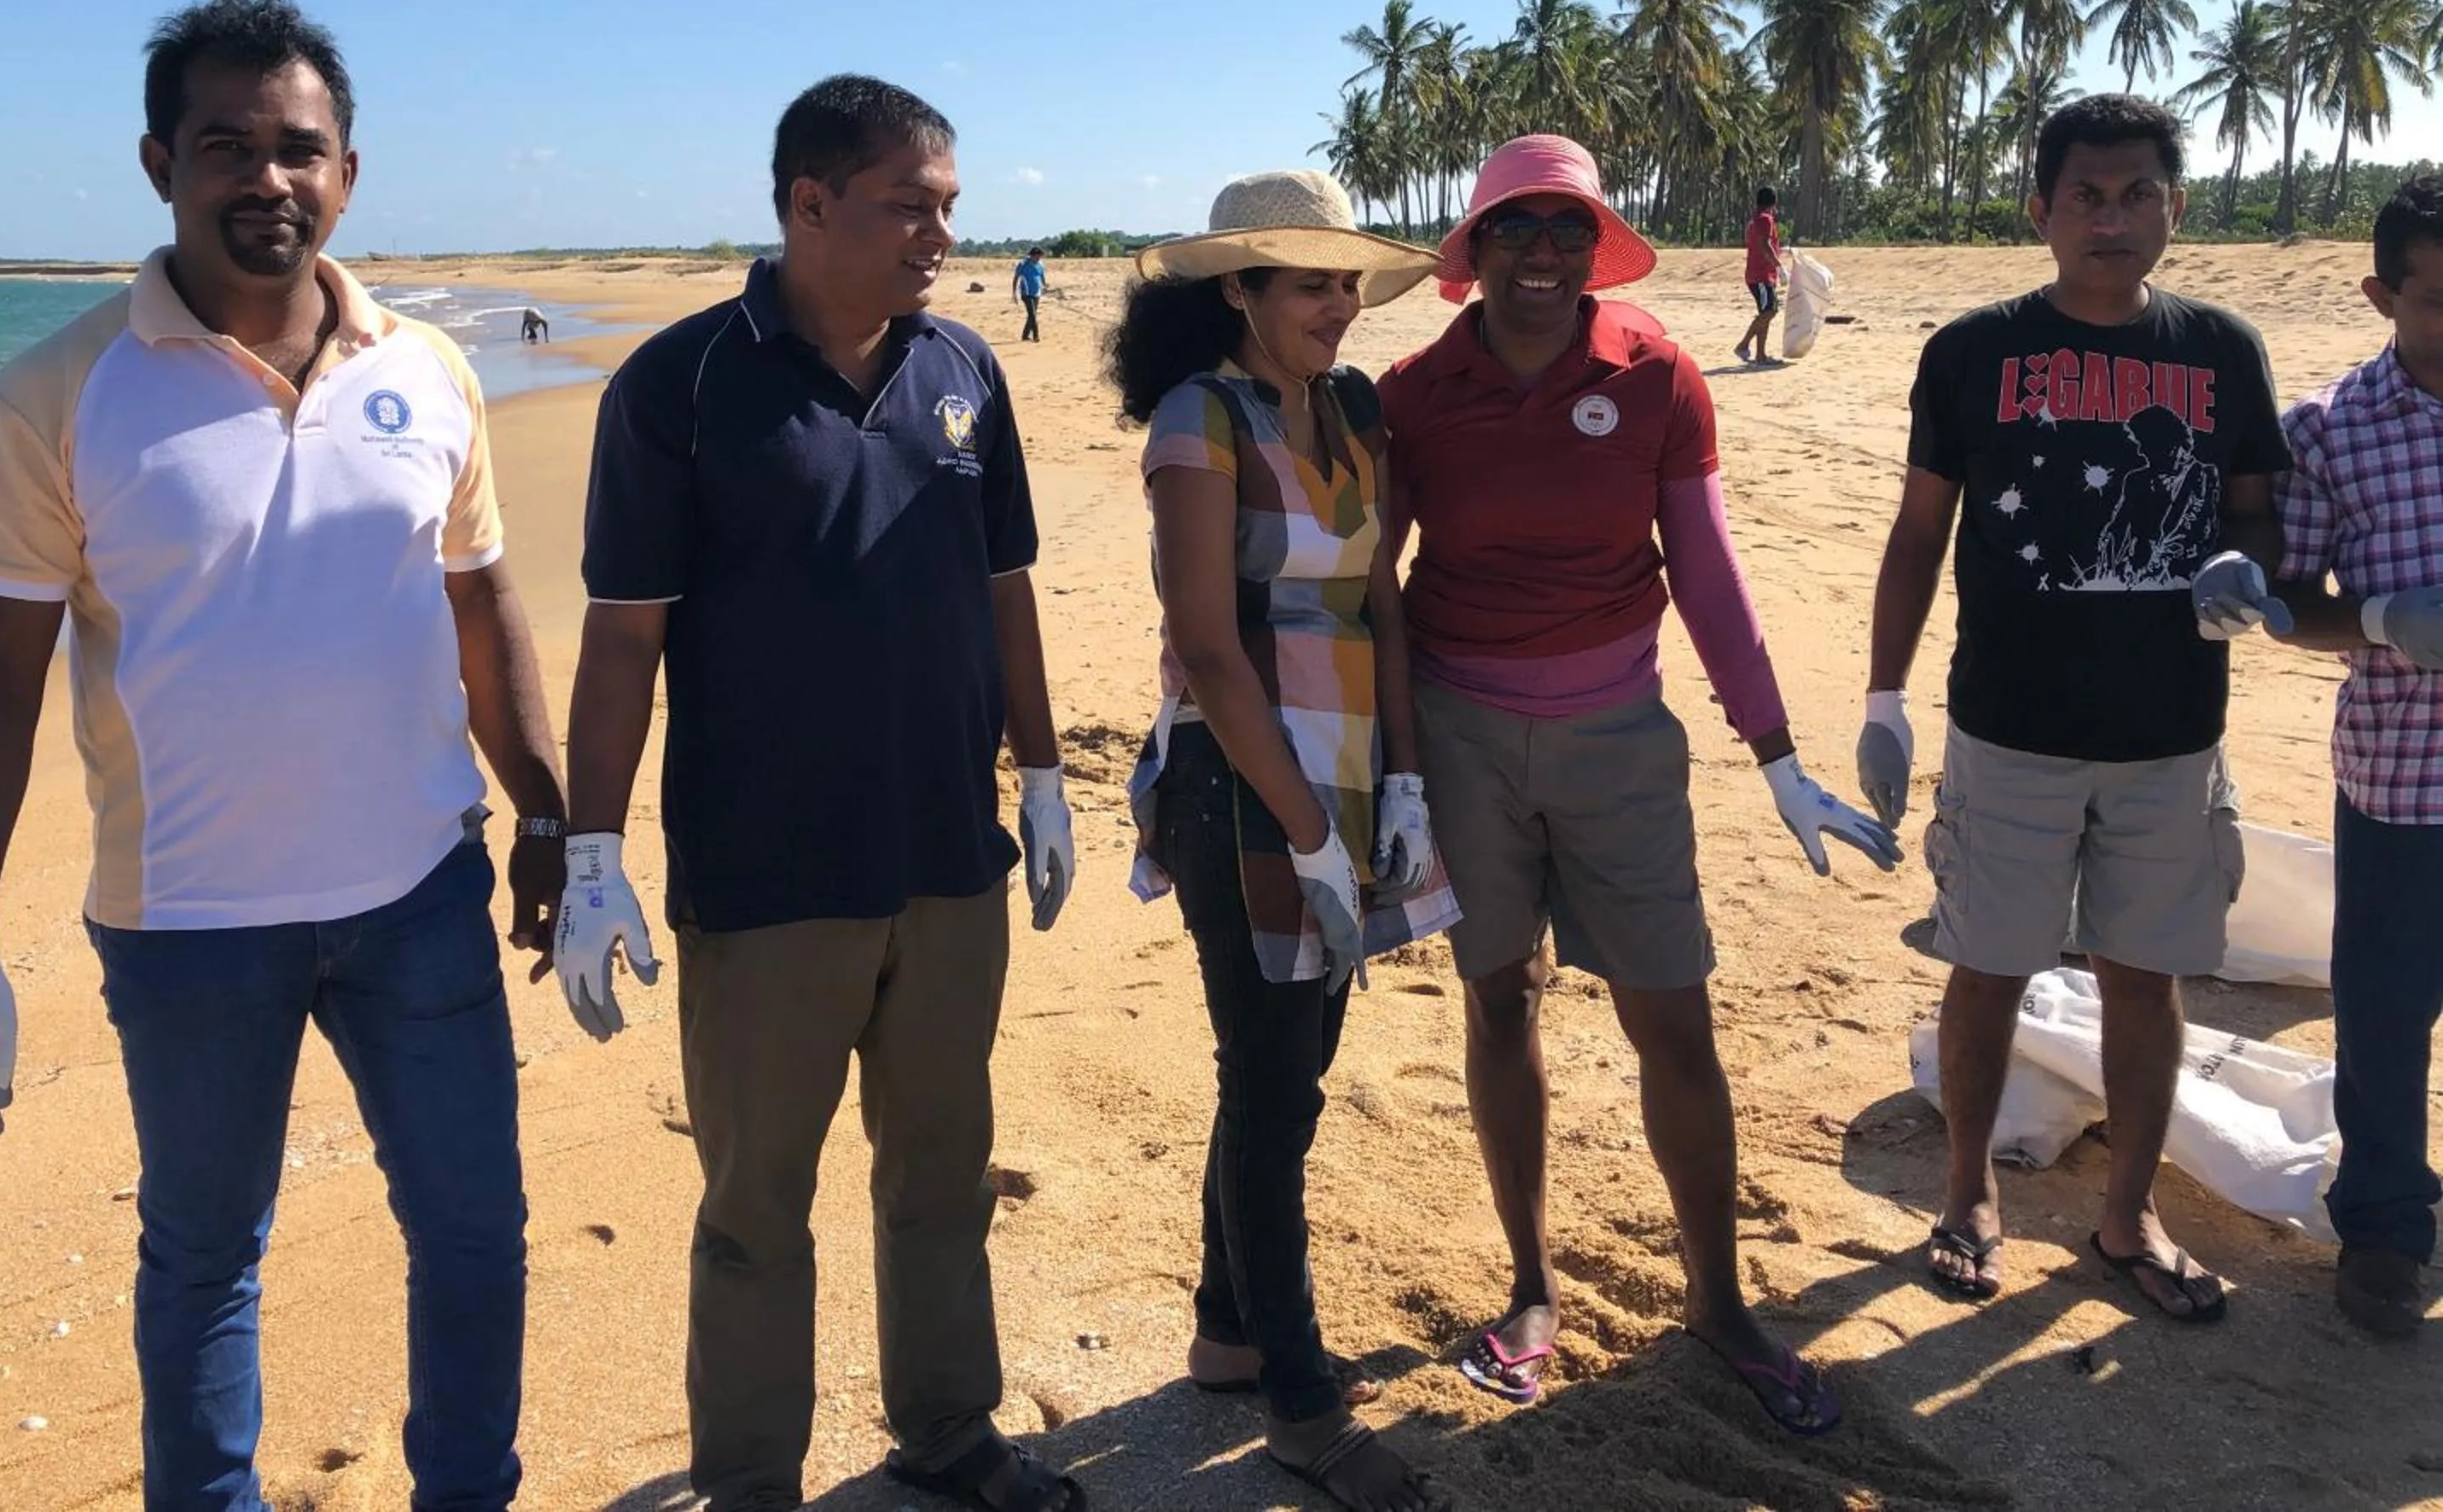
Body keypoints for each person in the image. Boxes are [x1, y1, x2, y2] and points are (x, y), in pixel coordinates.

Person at [0, 0, 565, 1510]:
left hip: (418, 898)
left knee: (473, 1228)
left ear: (348, 173)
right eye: (227, 147)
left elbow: (484, 607)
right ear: (158, 163)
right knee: (204, 1256)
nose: (269, 179)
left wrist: (557, 828)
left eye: (298, 150)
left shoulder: (427, 372)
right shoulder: (57, 395)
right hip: (188, 926)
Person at [561, 75, 1085, 1512]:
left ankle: (950, 1434)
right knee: (754, 1211)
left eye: (949, 210)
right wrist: (590, 848)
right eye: (908, 206)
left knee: (940, 1173)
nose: (938, 236)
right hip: (765, 877)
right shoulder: (681, 387)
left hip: (944, 860)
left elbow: (1003, 584)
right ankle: (749, 1484)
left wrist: (1040, 772)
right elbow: (622, 634)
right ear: (807, 205)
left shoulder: (965, 368)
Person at [1381, 134, 1895, 1436]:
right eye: (1518, 230)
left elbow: (1708, 565)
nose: (1544, 256)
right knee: (1502, 1001)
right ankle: (1532, 1284)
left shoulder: (1659, 371)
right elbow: (1365, 585)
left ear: (1594, 246)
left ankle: (1719, 1303)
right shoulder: (1412, 391)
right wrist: (1383, 763)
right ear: (1476, 248)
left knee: (1676, 1017)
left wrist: (1775, 751)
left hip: (1619, 733)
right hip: (1460, 733)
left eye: (1569, 231)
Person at [1859, 93, 2288, 1323]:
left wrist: (2243, 566)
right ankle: (1967, 1192)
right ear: (2039, 208)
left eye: (2139, 193)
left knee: (2145, 978)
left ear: (2176, 207)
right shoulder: (1972, 351)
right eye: (2087, 196)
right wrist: (1884, 694)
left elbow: (2254, 500)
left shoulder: (2223, 349)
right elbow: (1917, 534)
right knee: (1987, 965)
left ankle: (2128, 1211)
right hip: (2009, 726)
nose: (2114, 219)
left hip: (2171, 732)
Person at [1112, 172, 1457, 1512]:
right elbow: (1205, 636)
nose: (1339, 303)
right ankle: (1302, 1405)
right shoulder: (1201, 418)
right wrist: (1307, 825)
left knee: (1289, 1063)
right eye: (1307, 281)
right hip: (1243, 786)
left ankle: (1226, 1327)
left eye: (1348, 280)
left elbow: (1381, 606)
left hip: (1354, 775)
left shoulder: (1355, 410)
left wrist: (1403, 786)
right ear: (1238, 294)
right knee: (1273, 1086)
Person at [2266, 173, 2443, 1340]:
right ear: (2383, 293)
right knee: (2384, 1014)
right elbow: (2287, 597)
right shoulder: (2331, 431)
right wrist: (2382, 618)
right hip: (2400, 779)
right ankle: (2383, 1224)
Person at [1735, 186, 1782, 363]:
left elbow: (1762, 244)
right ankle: (1743, 344)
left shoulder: (1755, 221)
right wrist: (1779, 266)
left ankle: (1761, 355)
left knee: (1765, 313)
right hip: (1761, 275)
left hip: (1760, 274)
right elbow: (1765, 245)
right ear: (1773, 202)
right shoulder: (1765, 219)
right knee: (1770, 311)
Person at [1013, 247, 1047, 341]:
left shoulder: (1040, 265)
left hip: (1036, 293)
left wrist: (1044, 286)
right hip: (1026, 294)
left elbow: (1042, 276)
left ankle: (1025, 335)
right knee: (1033, 315)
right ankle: (1036, 336)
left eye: (1039, 258)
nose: (1038, 259)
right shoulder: (1023, 264)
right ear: (1031, 256)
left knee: (1032, 314)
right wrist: (1014, 293)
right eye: (1036, 257)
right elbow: (1016, 278)